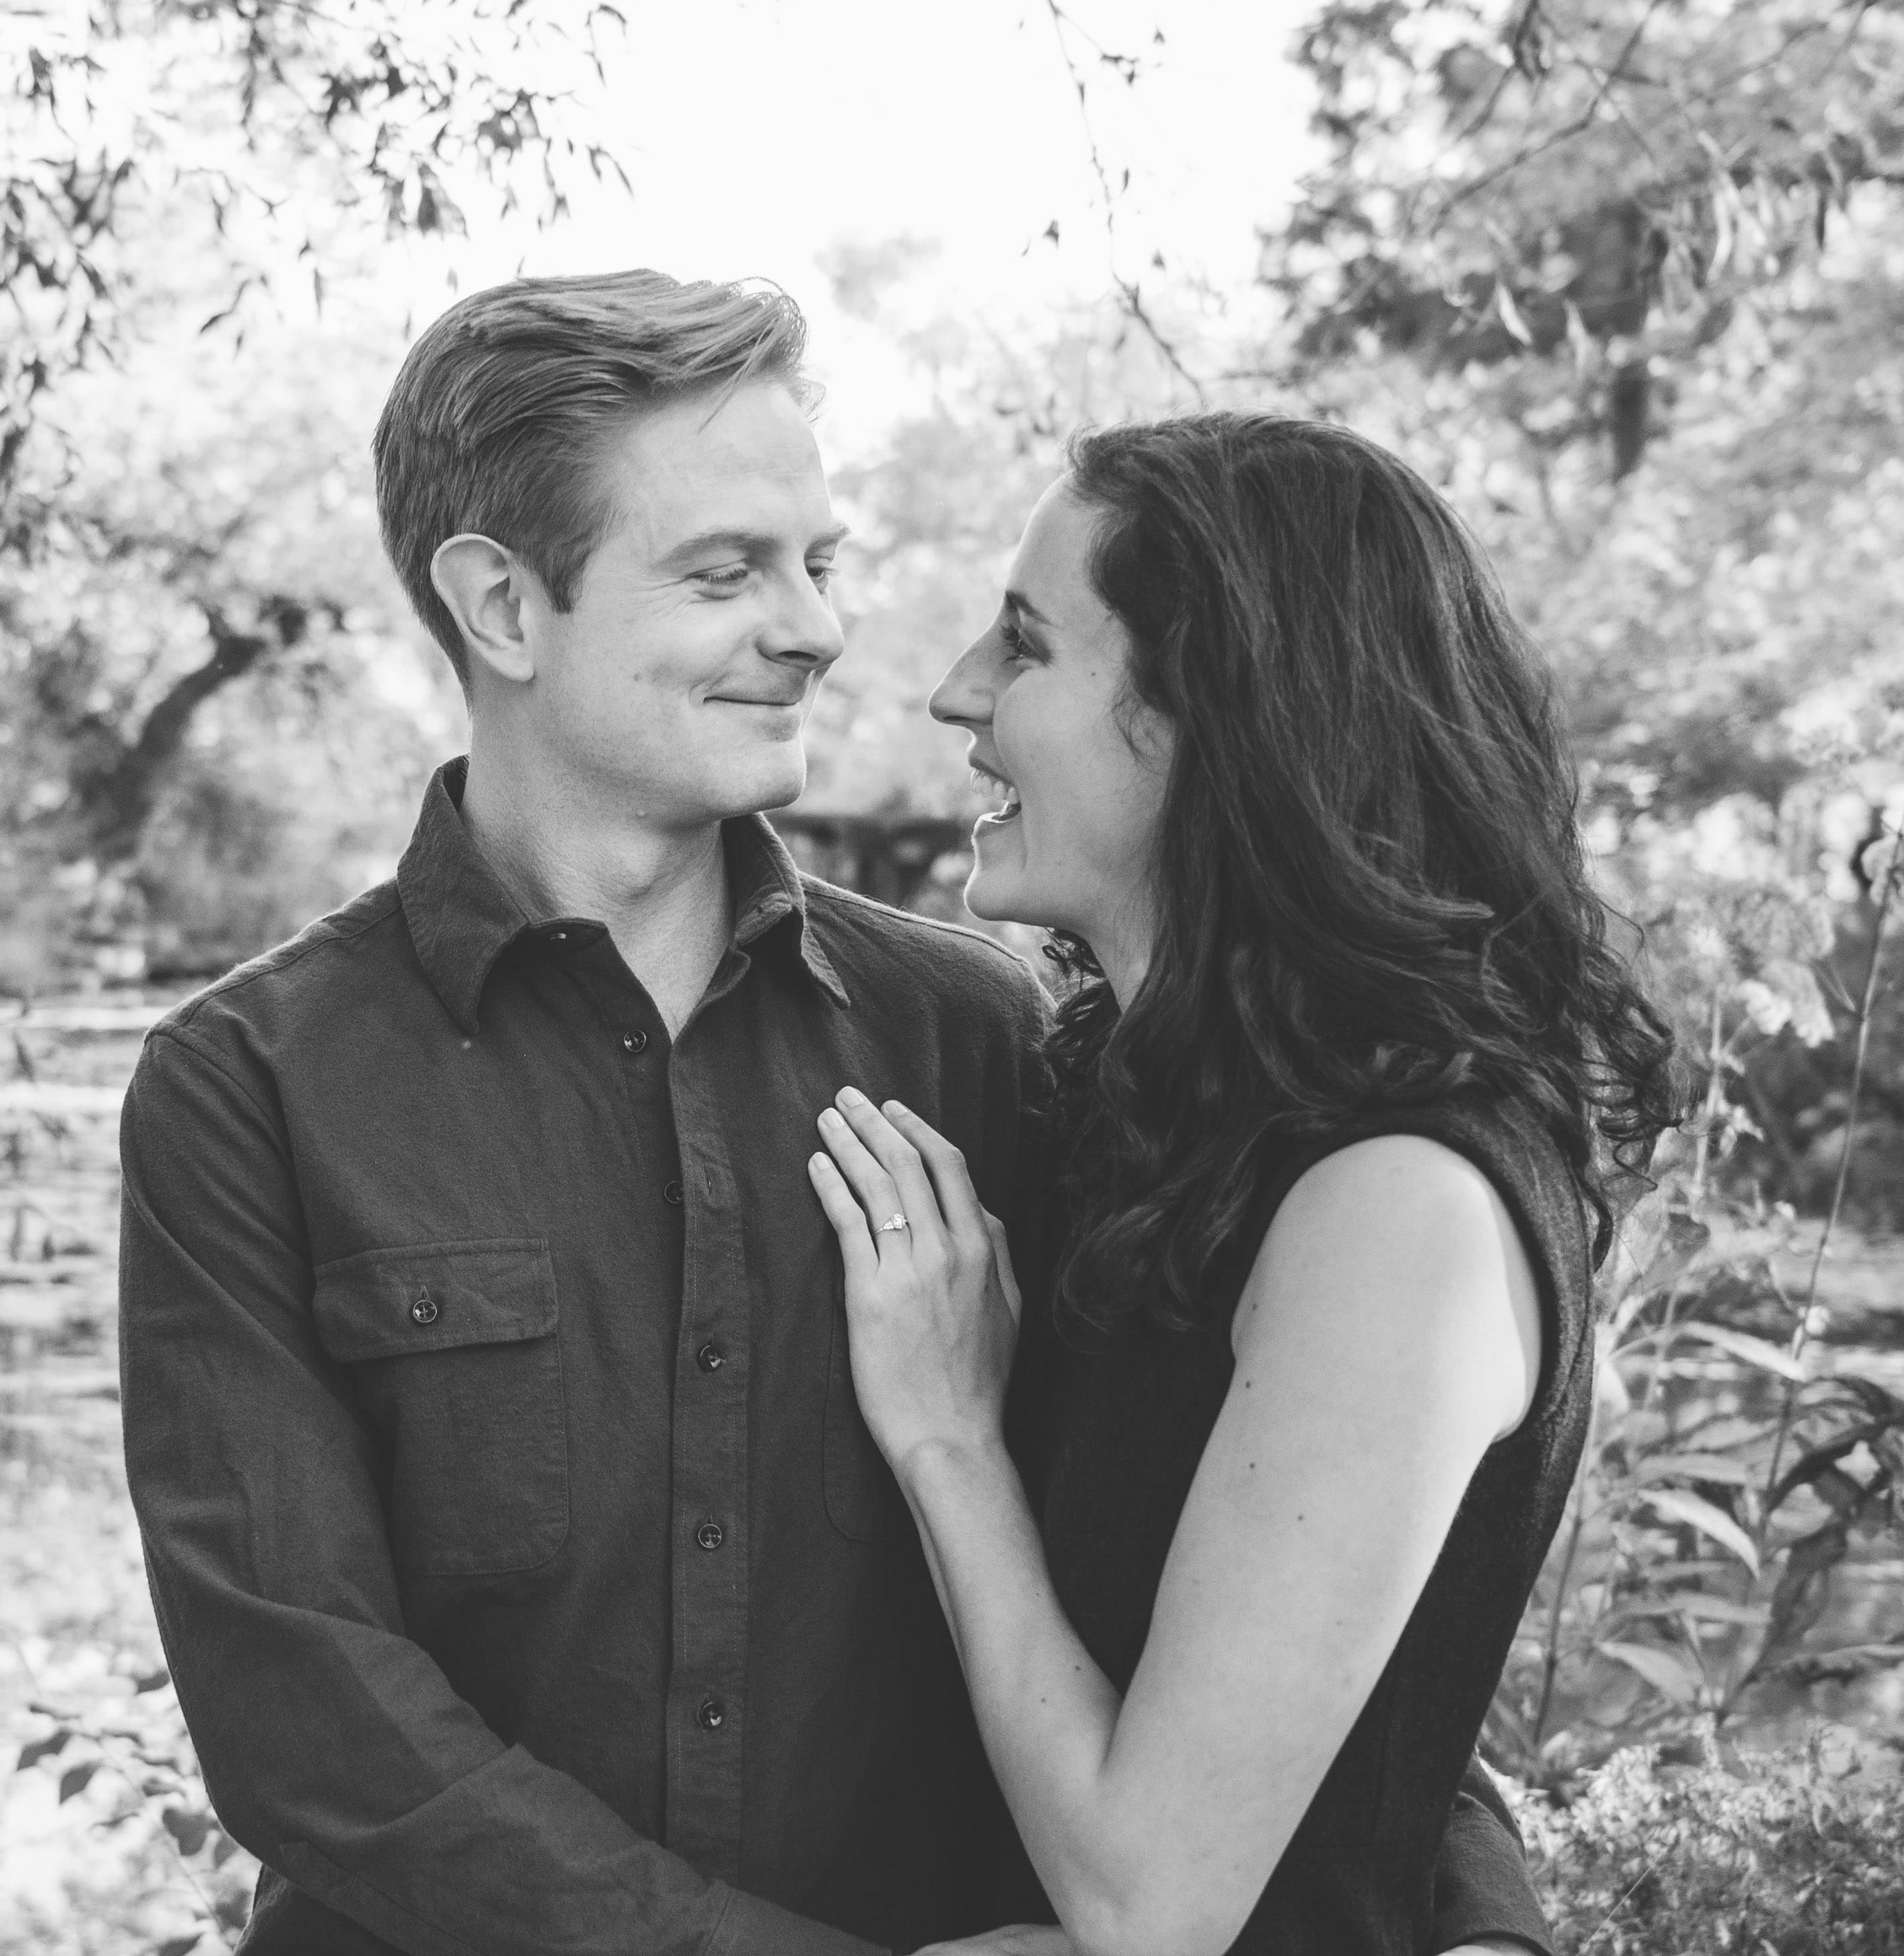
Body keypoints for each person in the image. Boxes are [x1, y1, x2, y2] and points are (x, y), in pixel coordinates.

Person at [119, 275, 1554, 1954]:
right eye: (728, 571)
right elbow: (313, 1719)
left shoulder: (993, 1042)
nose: (816, 628)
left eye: (820, 562)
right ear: (503, 607)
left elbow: (1257, 1577)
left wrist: (1469, 1917)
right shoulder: (254, 1086)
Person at [810, 414, 1681, 1956]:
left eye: (1023, 643)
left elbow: (1154, 1901)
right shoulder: (1154, 1111)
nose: (954, 688)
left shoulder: (1397, 1207)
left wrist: (948, 1433)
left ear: (1212, 717)